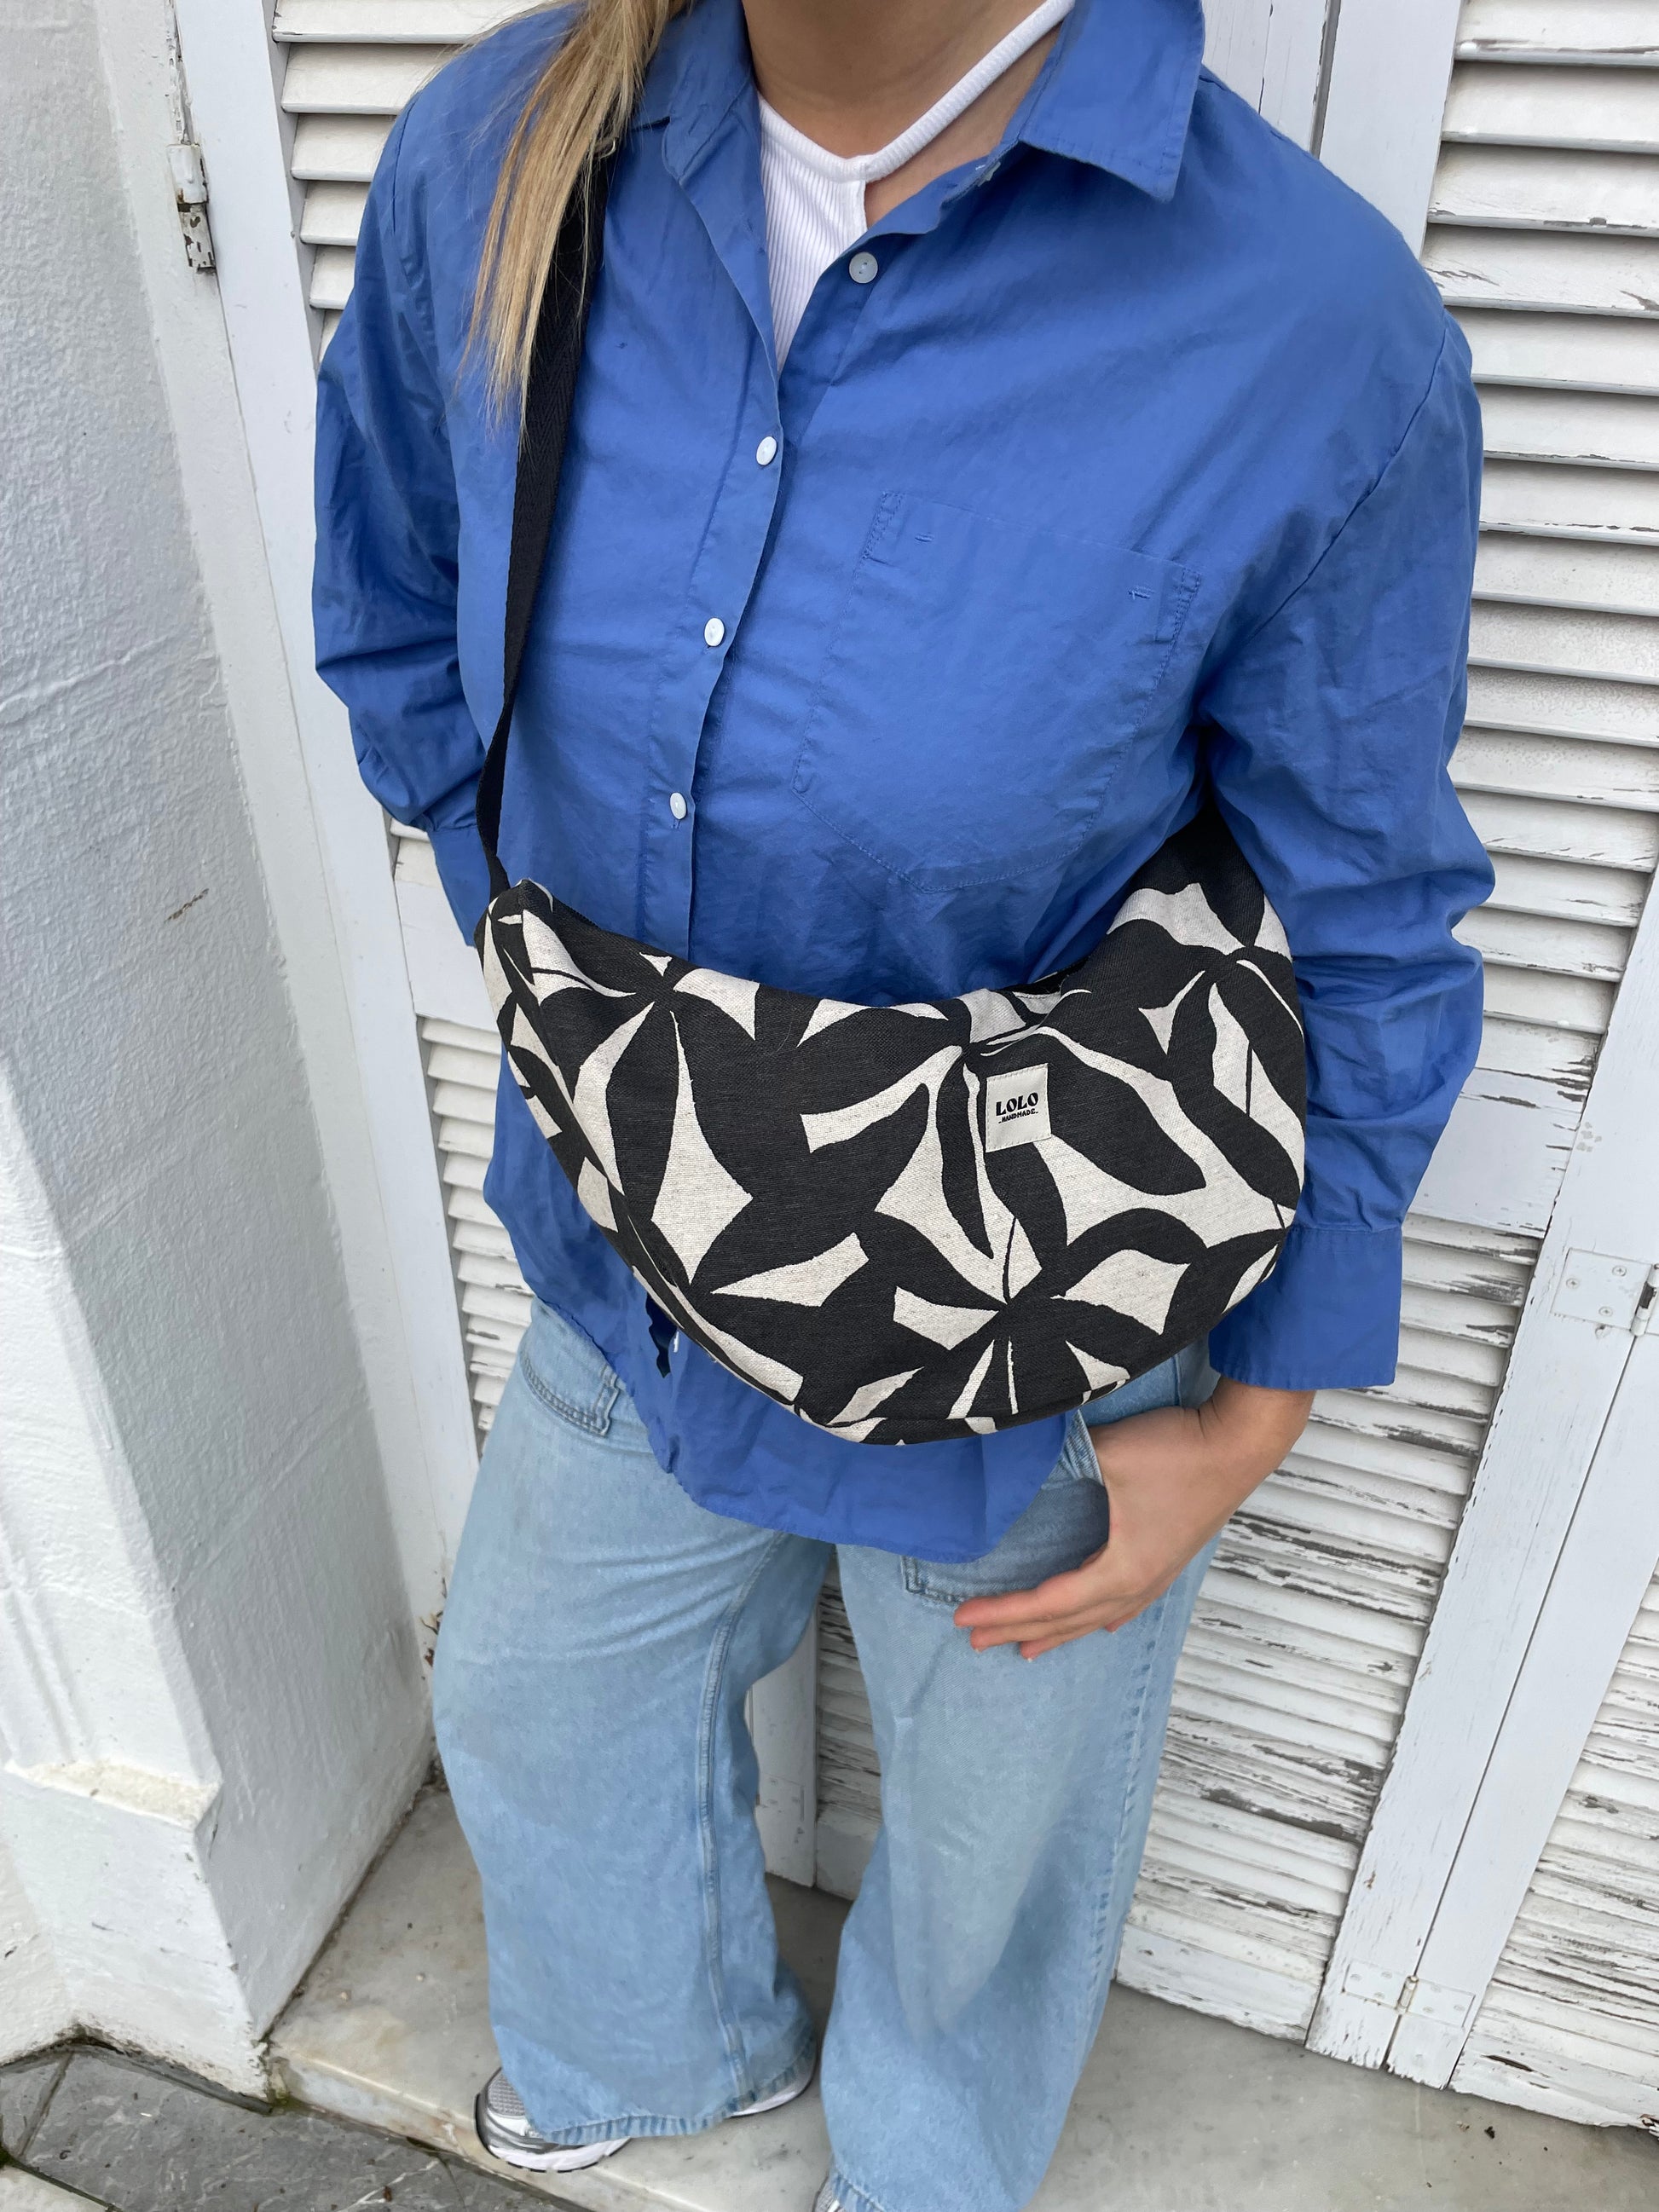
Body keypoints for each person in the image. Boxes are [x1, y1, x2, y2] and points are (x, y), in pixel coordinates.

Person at [313, 0, 1490, 2204]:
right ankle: (649, 2055)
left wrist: (1268, 1393)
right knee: (540, 1696)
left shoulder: (1306, 333)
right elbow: (397, 620)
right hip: (631, 1252)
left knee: (992, 1846)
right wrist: (579, 1009)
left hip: (1025, 1315)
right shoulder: (495, 152)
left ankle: (928, 2177)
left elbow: (1360, 903)